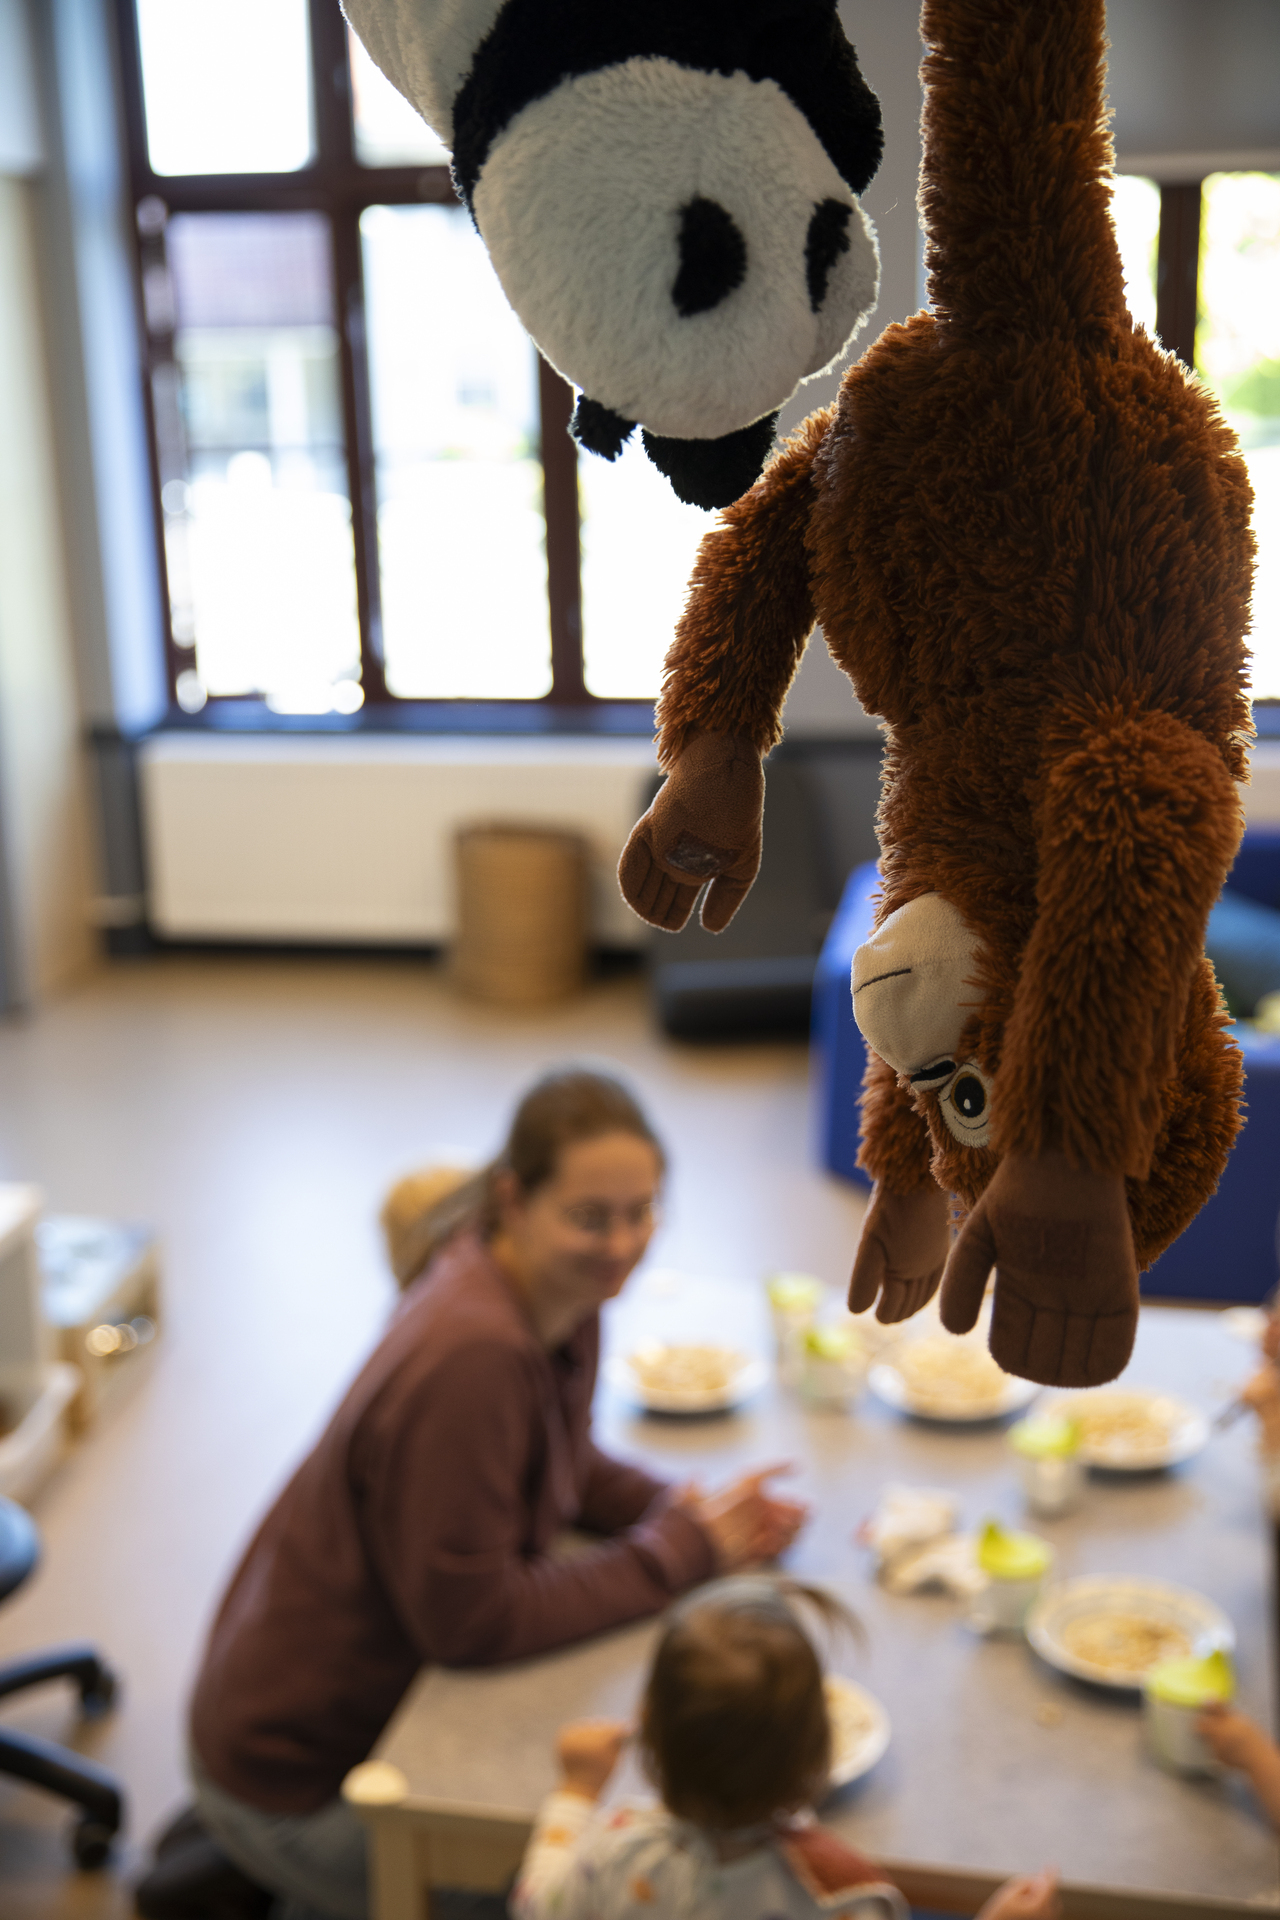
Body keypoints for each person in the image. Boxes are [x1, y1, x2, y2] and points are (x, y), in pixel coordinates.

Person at [187, 1067, 806, 1920]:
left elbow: (561, 1457)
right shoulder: (470, 1358)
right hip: (299, 1785)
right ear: (515, 1198)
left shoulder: (555, 1286)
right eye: (591, 1217)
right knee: (586, 1896)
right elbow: (472, 1622)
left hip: (317, 1718)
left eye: (642, 1211)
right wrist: (681, 1551)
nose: (623, 1244)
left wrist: (683, 1511)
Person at [512, 1577, 1060, 1920]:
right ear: (818, 1756)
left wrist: (575, 1791)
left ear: (648, 1732)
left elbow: (536, 1905)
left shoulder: (613, 1849)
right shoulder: (839, 1897)